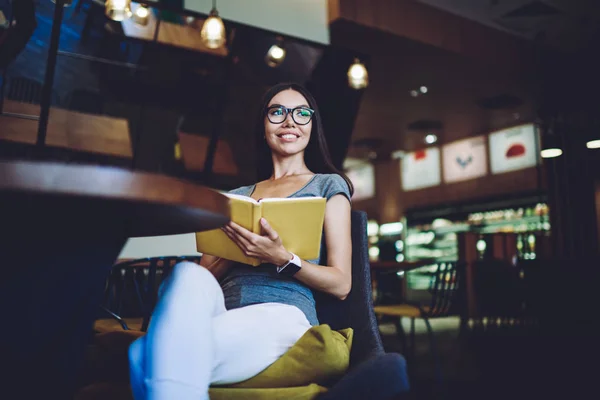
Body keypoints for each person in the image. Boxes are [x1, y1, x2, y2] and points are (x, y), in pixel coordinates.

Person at [128, 82, 355, 400]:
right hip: (224, 312)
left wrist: (281, 258)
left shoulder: (328, 185)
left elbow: (342, 285)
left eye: (301, 114)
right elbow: (205, 278)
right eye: (277, 112)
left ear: (312, 127)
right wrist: (243, 250)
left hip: (281, 313)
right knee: (186, 274)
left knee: (142, 355)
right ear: (264, 128)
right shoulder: (235, 197)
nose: (289, 121)